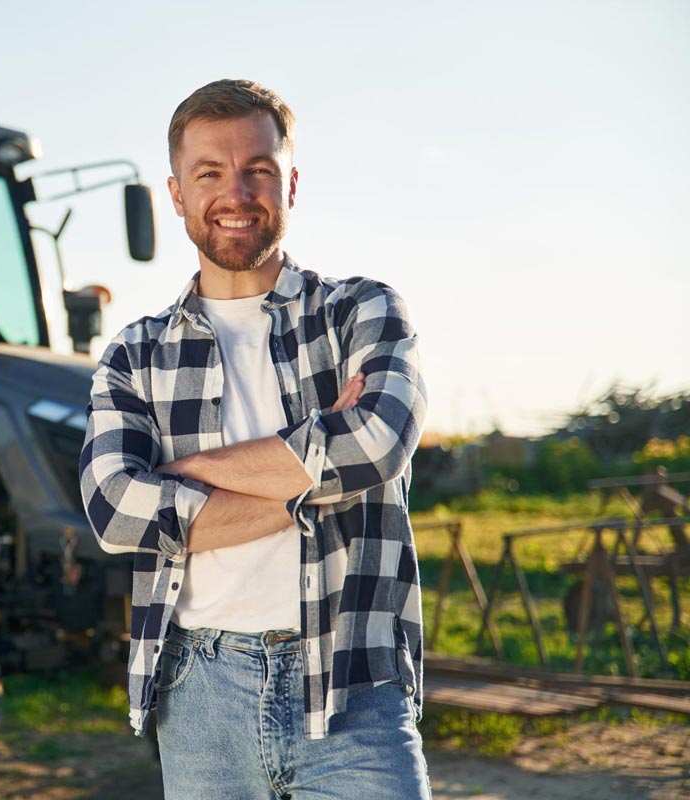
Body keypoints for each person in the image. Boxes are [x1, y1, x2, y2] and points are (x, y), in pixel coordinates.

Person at [78, 79, 431, 799]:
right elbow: (116, 512)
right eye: (209, 172)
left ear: (290, 182)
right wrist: (313, 481)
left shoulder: (361, 312)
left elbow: (375, 445)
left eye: (258, 169)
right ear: (176, 194)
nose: (235, 192)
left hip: (353, 680)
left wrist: (185, 471)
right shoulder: (133, 355)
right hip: (199, 691)